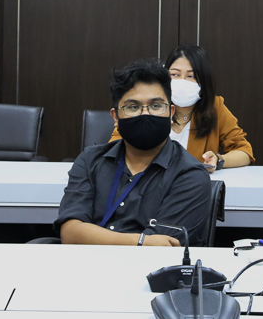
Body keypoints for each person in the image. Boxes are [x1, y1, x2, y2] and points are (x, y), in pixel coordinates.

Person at [56, 59, 211, 246]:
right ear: (115, 117)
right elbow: (70, 233)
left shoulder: (190, 175)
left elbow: (162, 248)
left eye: (156, 106)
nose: (145, 113)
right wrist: (141, 241)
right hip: (86, 263)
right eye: (133, 107)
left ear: (171, 113)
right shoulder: (90, 160)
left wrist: (92, 236)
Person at [110, 45, 254, 172]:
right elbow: (115, 148)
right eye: (175, 74)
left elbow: (244, 151)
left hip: (192, 185)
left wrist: (218, 159)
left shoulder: (215, 107)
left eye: (191, 76)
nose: (182, 82)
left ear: (204, 81)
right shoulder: (147, 106)